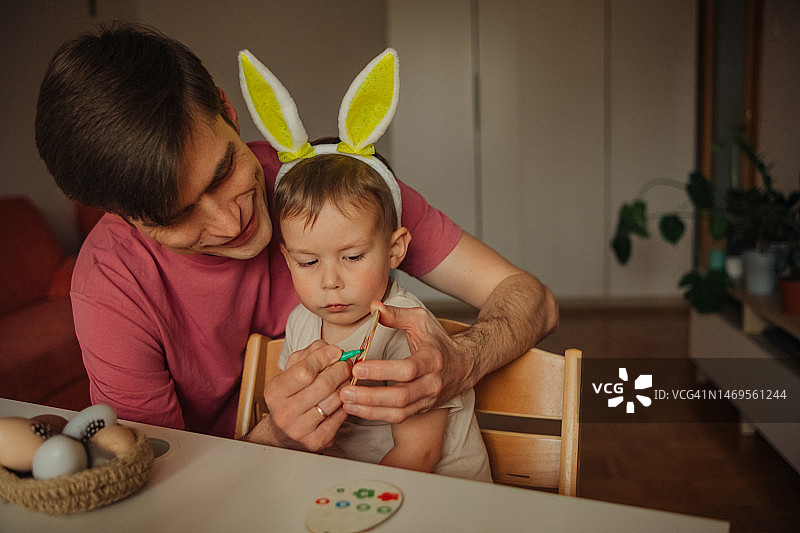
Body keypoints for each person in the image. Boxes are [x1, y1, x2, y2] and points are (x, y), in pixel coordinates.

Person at [34, 23, 558, 450]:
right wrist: (275, 438)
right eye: (177, 217)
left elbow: (532, 300)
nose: (228, 223)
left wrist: (464, 360)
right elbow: (158, 487)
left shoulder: (333, 192)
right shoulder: (111, 283)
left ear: (227, 110)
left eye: (223, 172)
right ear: (125, 217)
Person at [275, 152, 491, 481]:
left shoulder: (407, 329)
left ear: (394, 250)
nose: (330, 281)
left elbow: (419, 453)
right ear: (287, 258)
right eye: (308, 262)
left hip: (441, 493)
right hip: (352, 489)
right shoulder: (299, 323)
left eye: (352, 256)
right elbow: (293, 414)